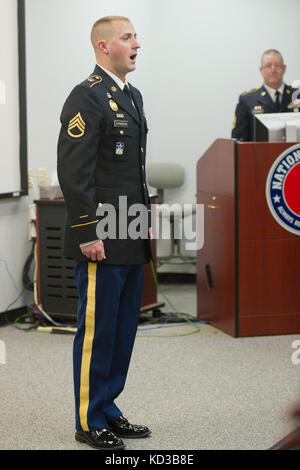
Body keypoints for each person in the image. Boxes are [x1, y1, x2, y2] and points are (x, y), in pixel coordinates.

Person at [57, 15, 152, 450]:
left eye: (135, 36)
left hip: (129, 233)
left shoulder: (131, 96)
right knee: (98, 331)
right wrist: (87, 233)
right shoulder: (87, 96)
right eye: (127, 37)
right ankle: (87, 418)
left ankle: (109, 407)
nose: (136, 43)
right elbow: (75, 174)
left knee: (121, 330)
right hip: (101, 237)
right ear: (103, 46)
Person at [232, 49, 297, 141]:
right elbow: (239, 139)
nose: (273, 69)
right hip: (260, 154)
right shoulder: (247, 100)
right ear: (261, 70)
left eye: (277, 65)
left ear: (284, 68)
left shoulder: (296, 95)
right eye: (268, 66)